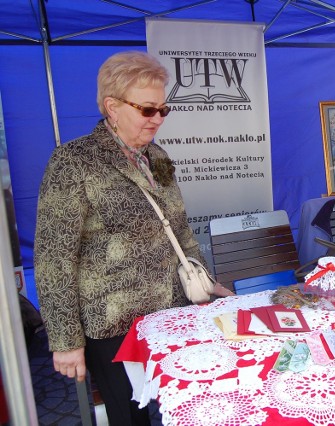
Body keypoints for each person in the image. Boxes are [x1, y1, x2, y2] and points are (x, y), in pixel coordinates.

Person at [33, 51, 234, 425]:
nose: (157, 119)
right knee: (130, 416)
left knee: (190, 399)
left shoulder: (156, 155)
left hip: (170, 313)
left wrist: (206, 281)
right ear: (112, 106)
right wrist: (65, 342)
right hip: (113, 325)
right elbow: (53, 258)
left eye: (163, 110)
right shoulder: (73, 162)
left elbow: (179, 230)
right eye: (147, 110)